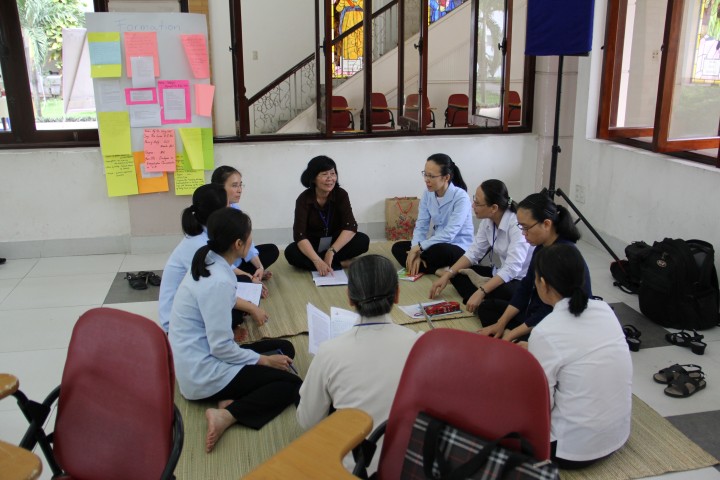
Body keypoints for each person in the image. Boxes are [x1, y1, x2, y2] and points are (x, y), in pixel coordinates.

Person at [169, 208, 303, 453]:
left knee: (285, 349)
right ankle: (227, 414)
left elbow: (223, 307)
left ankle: (229, 396)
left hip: (200, 356)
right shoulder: (218, 281)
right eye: (250, 237)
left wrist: (252, 308)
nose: (252, 241)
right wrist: (264, 361)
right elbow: (221, 347)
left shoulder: (209, 258)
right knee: (290, 383)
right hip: (203, 372)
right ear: (238, 244)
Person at [296, 254, 419, 474]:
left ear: (350, 298)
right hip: (411, 465)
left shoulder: (329, 351)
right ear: (397, 294)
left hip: (356, 468)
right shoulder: (421, 345)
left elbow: (307, 421)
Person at [525, 243, 632, 469]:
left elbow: (541, 404)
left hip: (572, 450)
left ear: (543, 283)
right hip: (618, 434)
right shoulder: (605, 310)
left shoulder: (545, 332)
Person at [477, 191, 592, 342]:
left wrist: (511, 335)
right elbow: (525, 287)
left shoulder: (563, 255)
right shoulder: (541, 247)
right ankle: (510, 334)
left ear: (546, 224)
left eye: (526, 228)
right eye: (521, 227)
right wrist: (501, 323)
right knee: (487, 308)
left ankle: (514, 338)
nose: (523, 233)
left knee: (526, 341)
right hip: (536, 313)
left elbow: (549, 310)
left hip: (556, 323)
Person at [158, 184, 270, 336]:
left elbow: (226, 270)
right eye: (228, 205)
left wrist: (252, 276)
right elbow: (221, 291)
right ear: (218, 214)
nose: (231, 207)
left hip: (197, 301)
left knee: (245, 284)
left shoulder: (207, 236)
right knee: (237, 310)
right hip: (180, 324)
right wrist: (251, 307)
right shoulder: (199, 246)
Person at [429, 180, 532, 320]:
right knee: (458, 275)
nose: (473, 206)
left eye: (477, 203)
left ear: (494, 208)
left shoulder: (516, 225)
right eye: (474, 200)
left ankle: (483, 301)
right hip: (499, 273)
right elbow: (474, 252)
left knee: (497, 292)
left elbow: (512, 269)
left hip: (519, 281)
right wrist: (447, 274)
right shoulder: (488, 220)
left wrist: (482, 290)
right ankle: (484, 302)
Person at [284, 155, 370, 275]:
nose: (330, 178)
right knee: (291, 253)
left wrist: (331, 251)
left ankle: (327, 261)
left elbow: (350, 226)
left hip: (335, 242)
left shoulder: (341, 194)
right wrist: (316, 260)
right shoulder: (303, 199)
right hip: (313, 244)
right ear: (313, 178)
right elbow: (300, 235)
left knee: (363, 240)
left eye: (333, 174)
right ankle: (340, 263)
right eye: (324, 174)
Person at [391, 153, 474, 276]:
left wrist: (419, 248)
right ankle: (437, 270)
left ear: (446, 177)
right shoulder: (427, 194)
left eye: (431, 176)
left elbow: (449, 234)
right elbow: (421, 225)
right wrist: (416, 250)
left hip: (457, 246)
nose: (426, 179)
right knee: (398, 247)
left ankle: (426, 266)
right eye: (425, 174)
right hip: (435, 243)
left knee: (440, 251)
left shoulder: (461, 197)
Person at [211, 165, 279, 283]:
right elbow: (217, 260)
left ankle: (251, 275)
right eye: (234, 185)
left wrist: (260, 267)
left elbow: (247, 244)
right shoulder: (213, 216)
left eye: (240, 185)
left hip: (238, 260)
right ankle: (247, 277)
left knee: (272, 250)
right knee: (226, 277)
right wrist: (249, 277)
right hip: (224, 268)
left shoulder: (235, 208)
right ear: (220, 188)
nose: (239, 190)